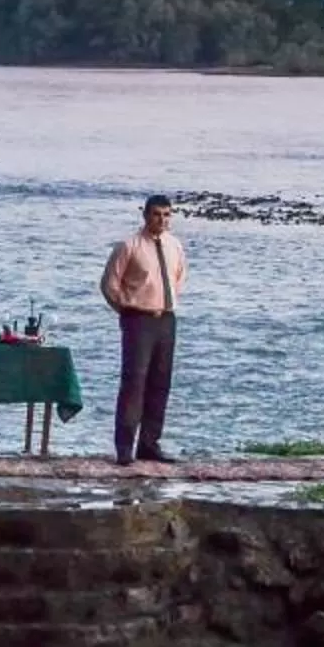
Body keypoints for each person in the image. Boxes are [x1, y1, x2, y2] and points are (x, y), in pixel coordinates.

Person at [99, 193, 188, 465]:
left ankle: (150, 444)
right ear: (146, 215)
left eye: (166, 215)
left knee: (160, 384)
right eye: (156, 214)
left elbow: (178, 278)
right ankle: (124, 448)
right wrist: (126, 310)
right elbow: (109, 284)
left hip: (166, 319)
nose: (161, 220)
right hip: (138, 319)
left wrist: (165, 303)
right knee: (134, 383)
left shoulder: (175, 246)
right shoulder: (129, 246)